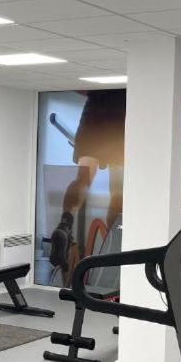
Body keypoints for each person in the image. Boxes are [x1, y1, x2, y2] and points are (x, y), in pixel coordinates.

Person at [49, 89, 126, 275]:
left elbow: (78, 88)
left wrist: (97, 93)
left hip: (93, 116)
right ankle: (113, 242)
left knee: (82, 179)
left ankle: (65, 223)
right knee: (117, 190)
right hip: (119, 119)